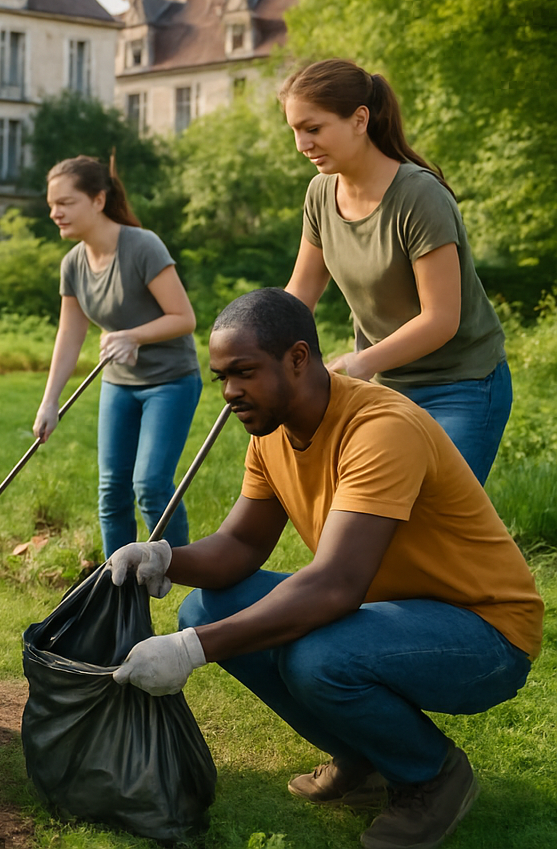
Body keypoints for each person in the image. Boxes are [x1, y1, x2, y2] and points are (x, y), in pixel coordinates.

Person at [110, 288, 542, 849]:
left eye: (244, 372)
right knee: (208, 604)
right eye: (221, 377)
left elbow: (336, 584)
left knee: (320, 658)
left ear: (297, 358)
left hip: (485, 633)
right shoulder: (272, 432)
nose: (230, 393)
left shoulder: (379, 429)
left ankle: (432, 777)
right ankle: (364, 762)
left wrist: (191, 650)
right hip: (395, 613)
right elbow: (241, 544)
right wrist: (163, 556)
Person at [281, 59, 509, 483]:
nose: (301, 144)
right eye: (294, 130)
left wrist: (360, 363)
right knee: (378, 516)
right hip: (385, 386)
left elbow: (441, 318)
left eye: (313, 128)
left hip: (462, 385)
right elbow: (301, 293)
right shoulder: (319, 195)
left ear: (359, 119)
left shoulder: (420, 196)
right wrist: (258, 350)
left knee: (431, 518)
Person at [32, 155, 200, 556]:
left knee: (151, 484)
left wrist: (134, 336)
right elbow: (69, 335)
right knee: (111, 490)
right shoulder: (73, 263)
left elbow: (184, 318)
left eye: (66, 203)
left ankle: (190, 577)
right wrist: (49, 401)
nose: (56, 213)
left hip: (170, 381)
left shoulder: (142, 246)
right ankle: (117, 595)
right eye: (52, 204)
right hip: (119, 384)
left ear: (98, 200)